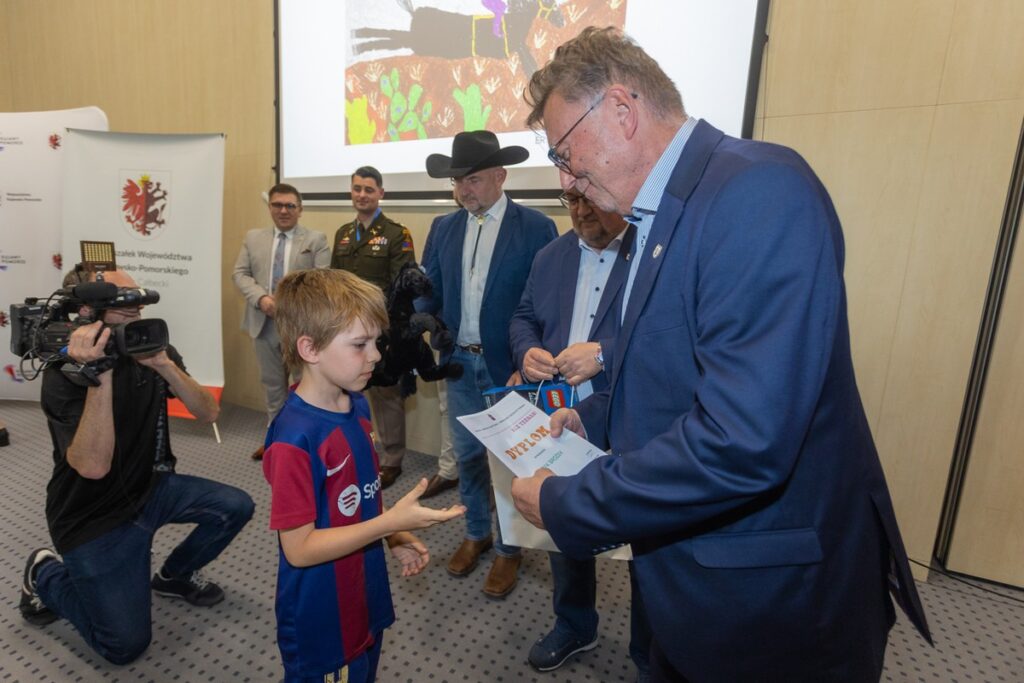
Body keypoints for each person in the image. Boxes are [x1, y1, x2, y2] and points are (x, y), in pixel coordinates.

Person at [512, 27, 931, 681]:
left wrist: (572, 503)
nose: (566, 178)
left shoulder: (756, 193)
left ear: (622, 112)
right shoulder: (661, 216)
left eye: (565, 154)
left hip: (771, 608)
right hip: (696, 583)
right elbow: (656, 359)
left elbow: (743, 438)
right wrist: (591, 418)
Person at [19, 269, 255, 665]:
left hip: (149, 487)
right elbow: (93, 467)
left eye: (138, 297)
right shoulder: (63, 371)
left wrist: (163, 363)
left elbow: (208, 411)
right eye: (125, 299)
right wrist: (101, 375)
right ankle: (45, 573)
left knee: (236, 505)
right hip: (92, 515)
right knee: (124, 646)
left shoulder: (148, 343)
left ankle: (173, 576)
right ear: (89, 311)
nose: (138, 305)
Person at [263, 268, 464, 682]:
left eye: (376, 342)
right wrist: (388, 524)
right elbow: (299, 549)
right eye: (360, 344)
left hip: (362, 590)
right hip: (322, 614)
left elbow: (360, 495)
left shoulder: (354, 405)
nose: (375, 355)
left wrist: (392, 534)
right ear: (310, 348)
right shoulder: (293, 440)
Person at [509, 189, 651, 678]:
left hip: (634, 414)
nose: (582, 212)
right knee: (563, 516)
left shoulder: (649, 251)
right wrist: (526, 352)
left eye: (592, 202)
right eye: (572, 202)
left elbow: (666, 330)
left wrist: (605, 352)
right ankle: (575, 623)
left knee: (646, 534)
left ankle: (651, 651)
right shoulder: (550, 256)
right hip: (562, 415)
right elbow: (524, 317)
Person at [420, 130, 557, 598]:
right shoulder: (444, 227)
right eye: (458, 181)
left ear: (500, 176)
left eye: (473, 179)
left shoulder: (535, 227)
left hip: (509, 371)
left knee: (510, 464)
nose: (464, 190)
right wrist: (423, 316)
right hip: (458, 363)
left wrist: (527, 357)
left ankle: (508, 549)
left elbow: (544, 305)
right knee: (468, 456)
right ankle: (476, 532)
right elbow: (430, 292)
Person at [331, 166, 416, 489]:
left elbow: (402, 284)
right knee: (348, 388)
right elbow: (336, 281)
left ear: (381, 193)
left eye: (369, 189)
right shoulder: (342, 233)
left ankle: (392, 458)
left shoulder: (396, 234)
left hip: (382, 329)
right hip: (345, 329)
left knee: (385, 393)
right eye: (357, 189)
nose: (362, 195)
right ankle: (357, 449)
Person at [233, 183, 330, 460]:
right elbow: (240, 274)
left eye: (290, 205)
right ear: (270, 207)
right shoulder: (253, 238)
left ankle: (305, 442)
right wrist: (262, 299)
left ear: (300, 209)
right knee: (273, 387)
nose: (283, 210)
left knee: (304, 388)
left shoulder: (316, 239)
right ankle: (275, 439)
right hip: (262, 324)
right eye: (277, 205)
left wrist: (286, 305)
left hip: (301, 329)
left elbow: (321, 280)